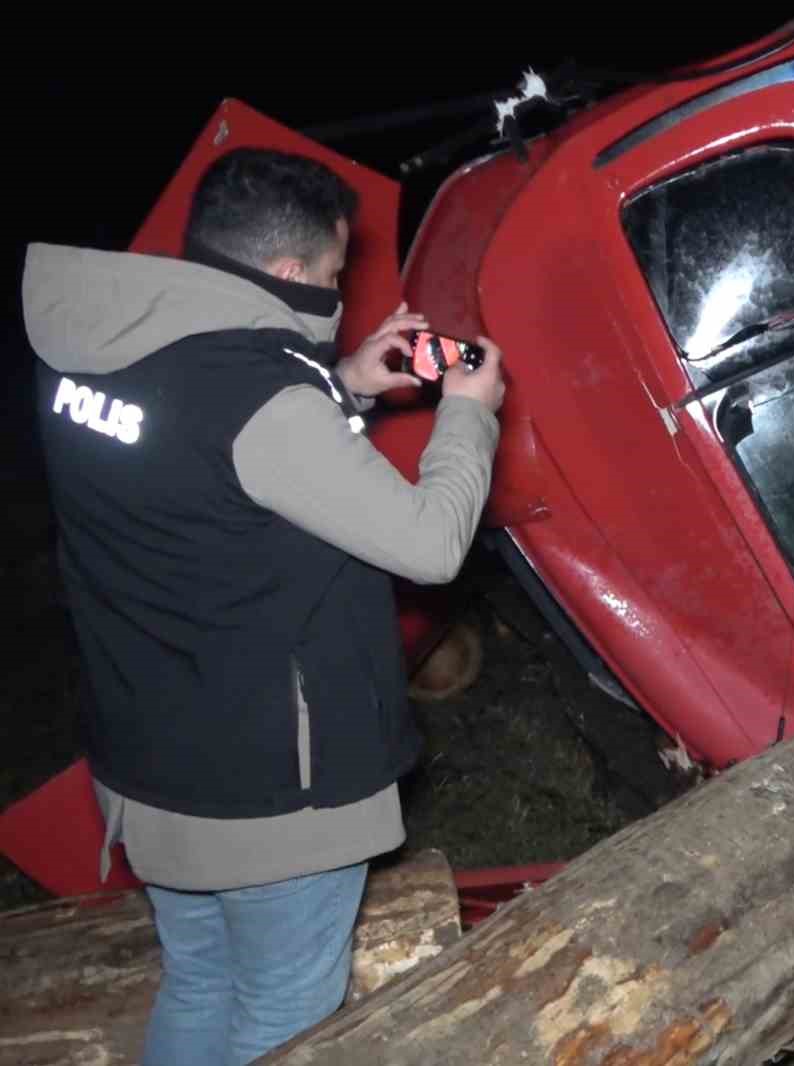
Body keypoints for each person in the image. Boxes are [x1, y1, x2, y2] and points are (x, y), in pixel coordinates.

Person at [21, 146, 506, 1065]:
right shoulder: (265, 400)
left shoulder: (88, 351)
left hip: (149, 762)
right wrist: (468, 411)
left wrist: (345, 385)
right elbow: (430, 544)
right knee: (284, 1013)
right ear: (288, 274)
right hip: (269, 796)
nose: (336, 287)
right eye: (330, 273)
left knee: (201, 985)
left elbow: (204, 462)